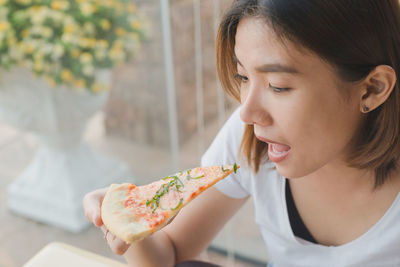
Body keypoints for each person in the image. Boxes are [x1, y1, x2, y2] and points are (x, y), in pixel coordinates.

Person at [83, 0, 400, 266]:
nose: (247, 113)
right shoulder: (249, 140)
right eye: (243, 76)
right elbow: (173, 253)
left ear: (372, 88)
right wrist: (131, 222)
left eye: (278, 86)